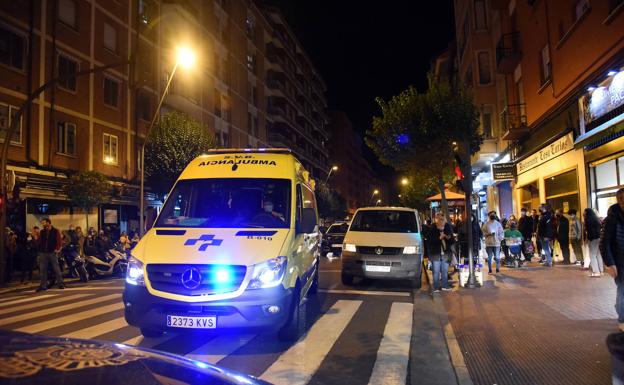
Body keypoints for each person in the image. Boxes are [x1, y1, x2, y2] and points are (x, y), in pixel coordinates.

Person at [600, 188, 624, 331]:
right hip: (620, 262)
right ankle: (622, 320)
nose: (622, 201)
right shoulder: (612, 218)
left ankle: (620, 308)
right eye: (620, 199)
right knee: (622, 290)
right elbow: (604, 242)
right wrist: (610, 263)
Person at [425, 212, 454, 292]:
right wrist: (439, 238)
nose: (440, 220)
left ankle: (444, 286)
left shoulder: (447, 228)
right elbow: (429, 241)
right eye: (438, 219)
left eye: (442, 219)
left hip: (445, 253)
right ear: (436, 219)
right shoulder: (433, 228)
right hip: (435, 253)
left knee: (445, 271)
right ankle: (436, 287)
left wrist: (447, 237)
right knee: (436, 271)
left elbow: (452, 241)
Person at [36, 218, 64, 291]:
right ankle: (43, 285)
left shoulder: (55, 231)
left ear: (48, 223)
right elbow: (39, 242)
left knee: (56, 268)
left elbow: (59, 241)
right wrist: (36, 237)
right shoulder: (42, 231)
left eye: (44, 223)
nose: (43, 224)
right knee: (42, 269)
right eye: (42, 223)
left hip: (52, 252)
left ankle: (60, 284)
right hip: (43, 252)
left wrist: (57, 249)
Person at [584, 208, 603, 277]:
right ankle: (601, 271)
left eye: (585, 212)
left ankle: (596, 272)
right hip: (598, 238)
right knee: (598, 255)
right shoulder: (596, 219)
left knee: (592, 256)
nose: (584, 213)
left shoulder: (588, 220)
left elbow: (589, 231)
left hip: (592, 239)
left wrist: (588, 239)